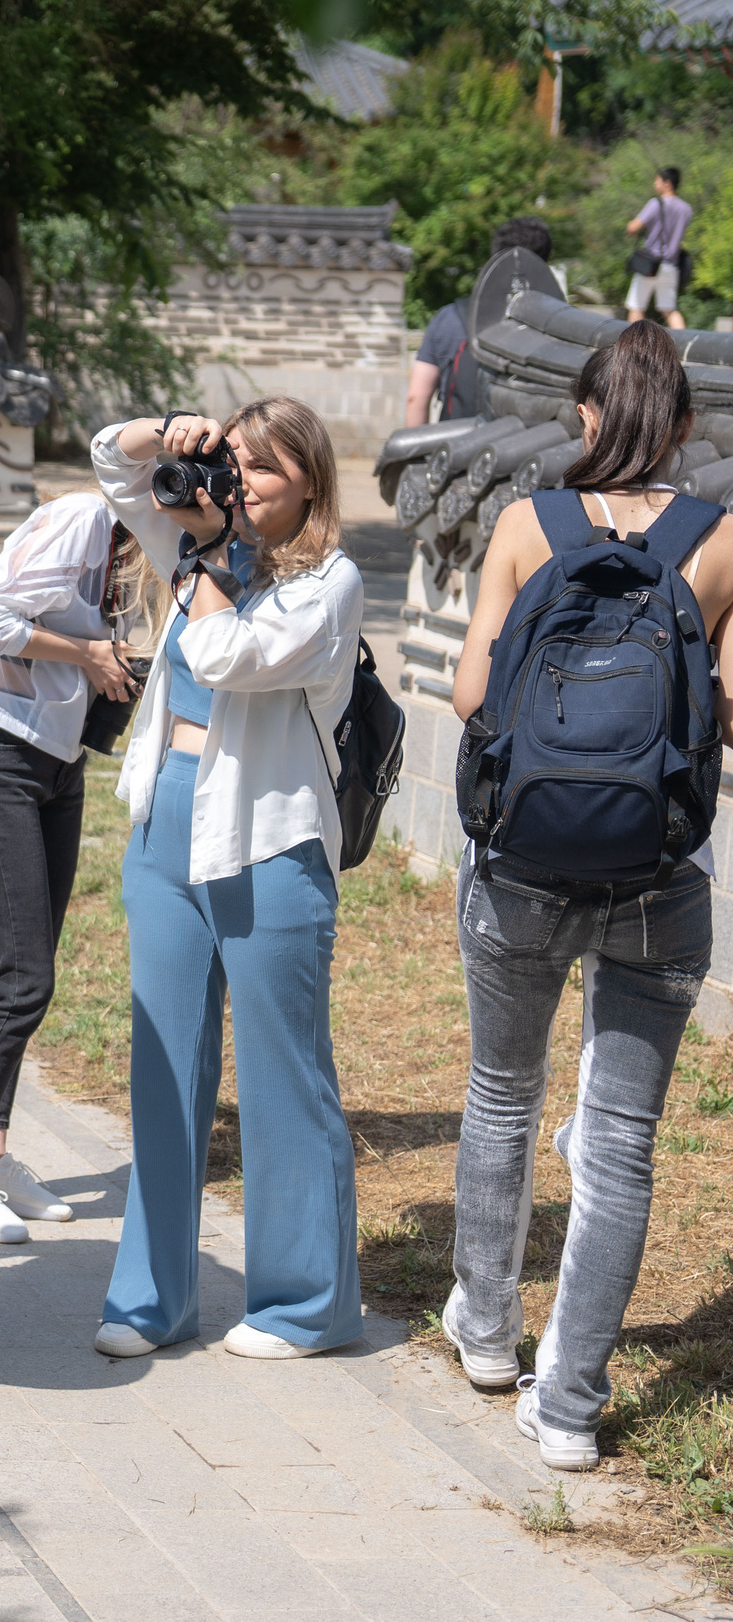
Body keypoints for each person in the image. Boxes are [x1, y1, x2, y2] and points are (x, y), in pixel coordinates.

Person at [447, 322, 729, 1471]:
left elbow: (469, 691)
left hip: (518, 869)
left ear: (582, 417)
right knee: (617, 1141)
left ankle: (485, 1332)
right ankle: (566, 1408)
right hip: (656, 881)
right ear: (687, 426)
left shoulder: (526, 524)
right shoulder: (718, 540)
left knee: (500, 1095)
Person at [89, 400, 363, 1364]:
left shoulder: (328, 582)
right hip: (167, 820)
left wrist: (204, 550)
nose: (239, 482)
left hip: (269, 837)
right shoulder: (203, 535)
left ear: (311, 484)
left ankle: (305, 1305)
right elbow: (111, 462)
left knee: (285, 1074)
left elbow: (223, 654)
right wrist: (170, 432)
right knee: (164, 1069)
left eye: (264, 468)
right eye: (232, 461)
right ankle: (152, 1298)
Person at [0, 492, 160, 1243]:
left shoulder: (140, 550)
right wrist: (86, 655)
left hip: (57, 764)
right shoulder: (86, 518)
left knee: (29, 967)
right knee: (23, 975)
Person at [408, 217, 556, 427]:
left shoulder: (451, 317)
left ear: (494, 256)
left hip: (457, 441)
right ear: (545, 261)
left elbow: (415, 398)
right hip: (534, 443)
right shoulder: (562, 323)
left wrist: (418, 445)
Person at [627, 169, 693, 330]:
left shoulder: (656, 204)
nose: (654, 184)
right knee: (669, 310)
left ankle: (633, 343)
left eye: (657, 181)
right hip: (671, 265)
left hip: (650, 264)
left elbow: (633, 227)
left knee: (636, 307)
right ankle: (684, 341)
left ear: (667, 183)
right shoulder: (686, 209)